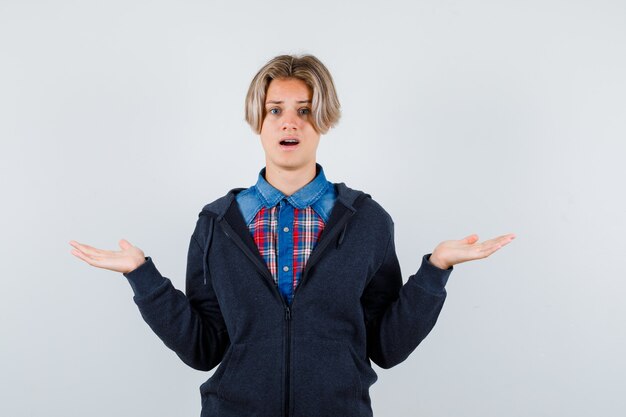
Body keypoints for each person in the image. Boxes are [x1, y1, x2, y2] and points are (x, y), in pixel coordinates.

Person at [69, 54, 515, 417]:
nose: (290, 123)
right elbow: (203, 348)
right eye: (275, 110)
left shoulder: (368, 220)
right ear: (257, 121)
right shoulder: (217, 224)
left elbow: (386, 347)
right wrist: (142, 277)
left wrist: (435, 271)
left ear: (323, 121)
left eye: (304, 111)